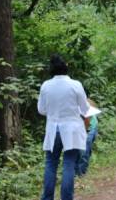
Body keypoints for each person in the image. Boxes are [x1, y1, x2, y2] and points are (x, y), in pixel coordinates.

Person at [38, 55, 90, 200]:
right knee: (69, 164)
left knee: (50, 164)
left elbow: (41, 110)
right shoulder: (75, 84)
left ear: (51, 69)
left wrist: (54, 112)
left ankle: (47, 197)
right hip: (72, 130)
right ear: (66, 67)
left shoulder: (46, 85)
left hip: (53, 129)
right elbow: (85, 108)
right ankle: (66, 198)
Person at [75, 97, 98, 176]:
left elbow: (86, 124)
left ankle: (82, 172)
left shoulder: (86, 111)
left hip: (90, 128)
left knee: (84, 150)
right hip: (81, 127)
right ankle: (76, 171)